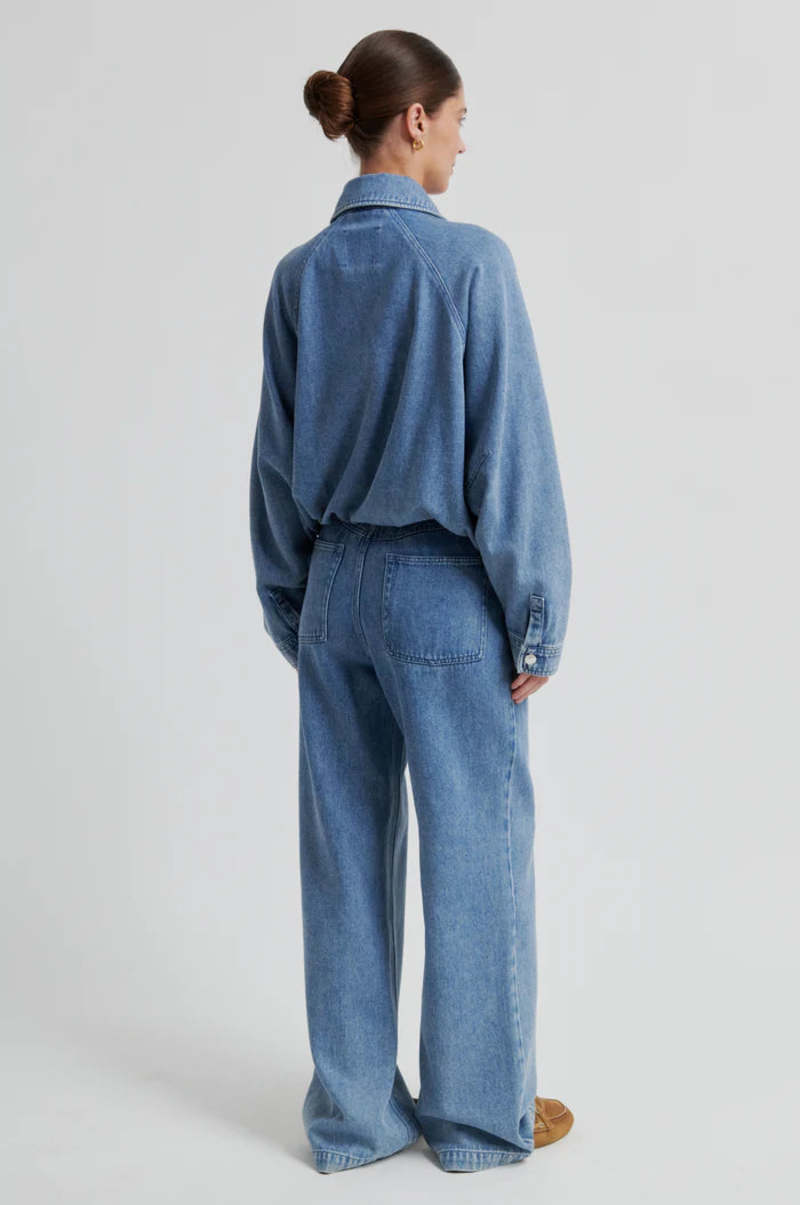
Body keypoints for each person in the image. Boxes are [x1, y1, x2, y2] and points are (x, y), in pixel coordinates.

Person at [249, 29, 574, 1175]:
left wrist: (295, 605)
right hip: (443, 594)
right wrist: (535, 613)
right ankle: (476, 1117)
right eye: (460, 117)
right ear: (415, 118)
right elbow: (509, 459)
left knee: (343, 856)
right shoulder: (470, 264)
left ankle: (354, 1117)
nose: (464, 142)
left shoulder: (299, 276)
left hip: (333, 588)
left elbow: (274, 463)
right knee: (475, 851)